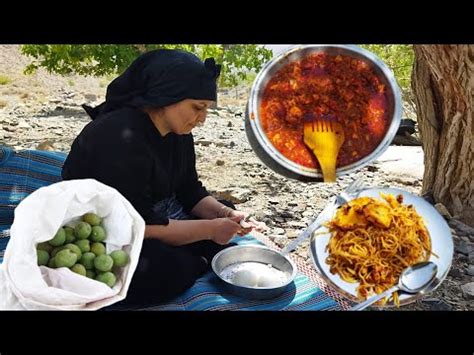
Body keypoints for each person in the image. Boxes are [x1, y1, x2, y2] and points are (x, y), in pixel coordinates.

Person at [61, 49, 263, 307]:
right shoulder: (118, 136)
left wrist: (223, 214)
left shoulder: (179, 132)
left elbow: (189, 189)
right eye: (197, 107)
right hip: (105, 229)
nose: (202, 119)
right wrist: (210, 230)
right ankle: (194, 260)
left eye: (206, 109)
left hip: (153, 212)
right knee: (165, 269)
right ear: (167, 95)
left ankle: (195, 254)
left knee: (224, 216)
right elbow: (137, 225)